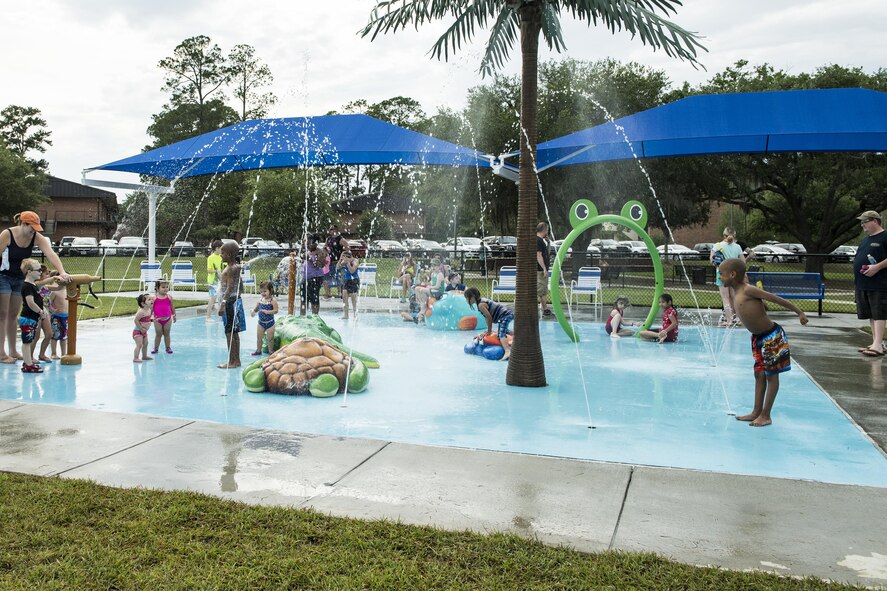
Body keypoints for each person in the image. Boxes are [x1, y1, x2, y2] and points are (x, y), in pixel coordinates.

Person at [719, 257, 809, 427]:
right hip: (758, 339)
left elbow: (777, 299)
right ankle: (756, 411)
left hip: (772, 337)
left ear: (732, 274)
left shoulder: (748, 290)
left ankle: (766, 415)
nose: (719, 277)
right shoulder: (737, 292)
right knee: (759, 374)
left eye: (721, 274)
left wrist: (799, 312)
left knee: (771, 376)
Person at [0, 211, 70, 364]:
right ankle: (1, 353)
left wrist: (62, 271)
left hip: (19, 278)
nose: (34, 231)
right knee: (2, 314)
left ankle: (13, 350)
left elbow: (51, 254)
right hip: (3, 276)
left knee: (13, 314)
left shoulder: (36, 237)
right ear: (23, 224)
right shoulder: (7, 234)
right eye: (32, 228)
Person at [854, 210, 886, 357]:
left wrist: (876, 267)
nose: (862, 225)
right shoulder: (866, 239)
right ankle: (876, 342)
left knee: (879, 313)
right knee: (871, 314)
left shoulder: (885, 237)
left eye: (864, 222)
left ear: (874, 221)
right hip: (863, 283)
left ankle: (878, 345)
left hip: (879, 283)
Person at [18, 259, 50, 373]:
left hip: (31, 319)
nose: (41, 272)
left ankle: (27, 362)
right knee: (26, 342)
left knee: (28, 340)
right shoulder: (27, 286)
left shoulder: (33, 285)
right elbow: (30, 303)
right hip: (27, 318)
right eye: (38, 270)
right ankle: (28, 364)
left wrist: (42, 309)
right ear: (29, 271)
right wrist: (40, 311)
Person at [464, 286, 514, 361]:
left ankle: (507, 351)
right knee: (504, 330)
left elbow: (489, 317)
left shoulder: (481, 305)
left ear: (472, 297)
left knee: (501, 334)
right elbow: (486, 317)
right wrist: (488, 331)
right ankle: (515, 334)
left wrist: (489, 331)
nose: (466, 300)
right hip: (505, 314)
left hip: (504, 315)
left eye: (467, 298)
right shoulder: (481, 302)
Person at [710, 226, 745, 326]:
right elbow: (743, 262)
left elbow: (712, 261)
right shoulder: (737, 247)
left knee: (725, 298)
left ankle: (729, 320)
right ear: (734, 235)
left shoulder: (717, 245)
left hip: (721, 274)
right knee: (734, 297)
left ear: (723, 235)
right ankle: (738, 319)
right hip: (734, 274)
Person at [217, 241, 244, 369]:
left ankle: (232, 361)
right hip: (236, 301)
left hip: (230, 303)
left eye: (223, 253)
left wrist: (223, 303)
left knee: (229, 332)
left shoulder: (231, 268)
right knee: (235, 332)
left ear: (229, 254)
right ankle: (236, 360)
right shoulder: (237, 267)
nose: (221, 255)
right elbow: (241, 287)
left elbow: (229, 288)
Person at [300, 234, 326, 316]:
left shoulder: (320, 252)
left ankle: (315, 316)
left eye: (309, 243)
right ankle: (302, 316)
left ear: (315, 243)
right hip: (306, 277)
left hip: (315, 278)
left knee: (314, 297)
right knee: (303, 298)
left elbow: (321, 265)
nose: (307, 244)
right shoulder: (307, 251)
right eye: (306, 242)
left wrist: (310, 259)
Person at [251, 280, 279, 356]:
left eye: (265, 291)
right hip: (261, 323)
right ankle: (258, 350)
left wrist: (268, 312)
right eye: (261, 292)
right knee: (259, 338)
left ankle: (271, 351)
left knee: (270, 338)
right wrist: (253, 311)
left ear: (270, 290)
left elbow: (276, 310)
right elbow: (256, 309)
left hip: (270, 323)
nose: (263, 293)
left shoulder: (272, 301)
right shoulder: (260, 300)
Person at [151, 280, 176, 354]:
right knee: (158, 334)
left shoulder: (169, 297)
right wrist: (149, 317)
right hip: (157, 319)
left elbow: (172, 307)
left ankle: (168, 347)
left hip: (167, 319)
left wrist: (174, 315)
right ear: (157, 288)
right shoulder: (154, 298)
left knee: (167, 334)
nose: (165, 288)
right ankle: (156, 348)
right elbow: (151, 309)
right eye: (163, 287)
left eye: (166, 287)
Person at [47, 270, 68, 359]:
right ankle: (54, 353)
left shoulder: (67, 290)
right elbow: (48, 302)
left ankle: (64, 354)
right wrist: (52, 310)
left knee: (64, 337)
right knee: (55, 336)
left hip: (66, 316)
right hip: (57, 317)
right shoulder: (55, 291)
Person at [324, 224, 349, 299]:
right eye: (329, 229)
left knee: (339, 278)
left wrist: (343, 257)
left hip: (338, 262)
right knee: (326, 279)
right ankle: (328, 294)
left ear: (335, 230)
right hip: (329, 262)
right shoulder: (328, 239)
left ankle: (340, 294)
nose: (329, 231)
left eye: (331, 229)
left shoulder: (340, 239)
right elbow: (325, 247)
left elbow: (348, 247)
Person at [337, 249, 360, 320]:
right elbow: (337, 267)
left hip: (354, 281)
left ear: (348, 257)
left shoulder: (355, 261)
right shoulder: (344, 261)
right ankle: (346, 315)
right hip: (347, 281)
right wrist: (340, 260)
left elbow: (352, 271)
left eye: (344, 257)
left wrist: (347, 264)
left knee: (353, 298)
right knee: (344, 297)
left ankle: (355, 315)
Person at [132, 293, 154, 363]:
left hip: (144, 332)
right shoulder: (141, 311)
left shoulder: (149, 310)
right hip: (138, 331)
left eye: (152, 299)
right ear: (143, 304)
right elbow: (136, 320)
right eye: (149, 299)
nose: (151, 300)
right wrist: (141, 328)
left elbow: (146, 319)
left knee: (146, 343)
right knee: (139, 345)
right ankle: (135, 358)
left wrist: (153, 320)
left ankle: (144, 356)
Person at [536, 221, 552, 317]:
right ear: (544, 230)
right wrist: (544, 268)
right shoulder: (537, 240)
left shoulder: (542, 241)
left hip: (543, 270)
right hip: (540, 270)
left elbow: (547, 253)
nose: (548, 231)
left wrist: (548, 242)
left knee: (544, 290)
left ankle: (545, 309)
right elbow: (538, 255)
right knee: (539, 289)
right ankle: (541, 309)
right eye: (547, 229)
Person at [205, 239, 224, 321]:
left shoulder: (221, 257)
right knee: (212, 298)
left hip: (220, 281)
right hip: (212, 282)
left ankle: (221, 316)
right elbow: (208, 270)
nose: (222, 250)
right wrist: (216, 271)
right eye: (221, 248)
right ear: (216, 248)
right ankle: (208, 317)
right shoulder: (210, 258)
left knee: (221, 298)